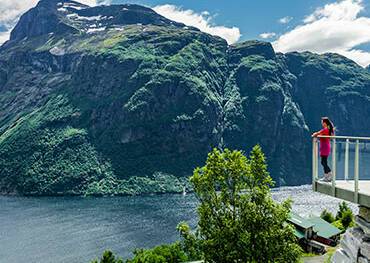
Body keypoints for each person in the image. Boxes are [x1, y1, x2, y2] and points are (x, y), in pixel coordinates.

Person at [312, 117, 335, 182]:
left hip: (325, 147)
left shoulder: (325, 130)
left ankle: (330, 174)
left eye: (322, 122)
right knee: (324, 162)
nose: (322, 124)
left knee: (323, 162)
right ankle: (326, 176)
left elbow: (316, 134)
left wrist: (315, 134)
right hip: (324, 147)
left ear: (325, 123)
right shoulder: (327, 129)